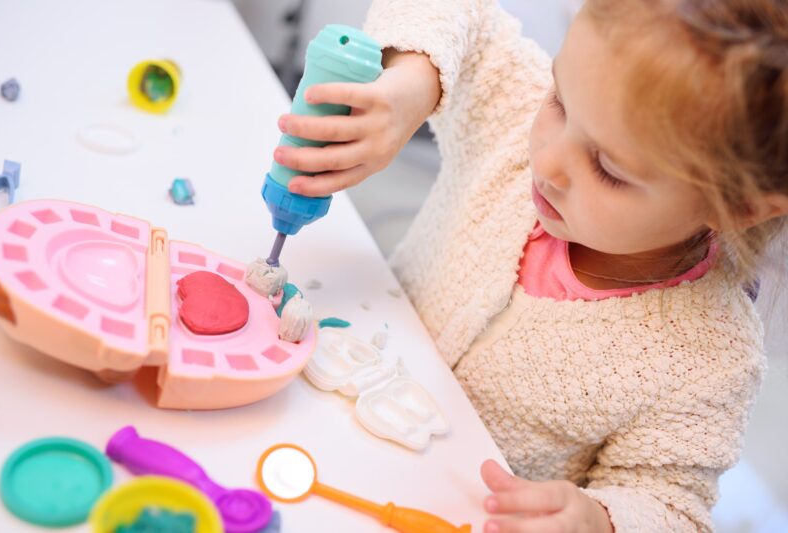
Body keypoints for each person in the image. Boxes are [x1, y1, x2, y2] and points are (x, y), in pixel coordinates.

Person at [271, 1, 788, 530]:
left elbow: (674, 507)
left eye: (609, 169)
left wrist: (597, 520)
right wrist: (411, 84)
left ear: (740, 206)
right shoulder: (517, 113)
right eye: (560, 101)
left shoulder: (710, 359)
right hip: (311, 416)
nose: (548, 160)